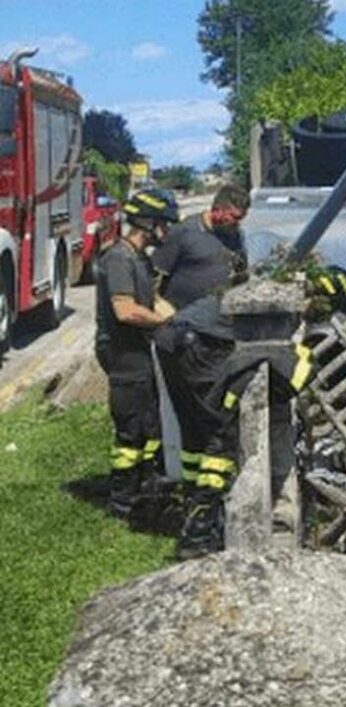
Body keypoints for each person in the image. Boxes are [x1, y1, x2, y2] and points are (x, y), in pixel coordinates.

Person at [152, 184, 250, 558]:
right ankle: (201, 523)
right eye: (234, 218)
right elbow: (152, 284)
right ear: (219, 209)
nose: (236, 225)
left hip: (213, 337)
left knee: (195, 432)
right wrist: (171, 320)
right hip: (188, 340)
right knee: (216, 429)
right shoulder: (184, 234)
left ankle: (196, 505)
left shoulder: (234, 238)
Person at [94, 189, 179, 517]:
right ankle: (122, 499)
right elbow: (126, 310)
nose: (166, 232)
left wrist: (182, 320)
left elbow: (152, 300)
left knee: (150, 422)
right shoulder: (118, 258)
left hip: (140, 351)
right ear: (148, 223)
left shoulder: (141, 259)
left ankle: (149, 485)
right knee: (131, 427)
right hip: (122, 352)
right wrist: (163, 323)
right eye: (163, 224)